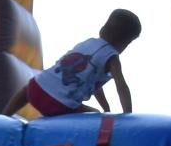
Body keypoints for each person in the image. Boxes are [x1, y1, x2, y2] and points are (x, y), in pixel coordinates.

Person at [9, 8, 141, 119]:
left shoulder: (88, 43)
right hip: (59, 105)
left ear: (102, 29)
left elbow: (94, 86)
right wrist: (127, 115)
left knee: (26, 90)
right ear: (125, 44)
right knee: (95, 115)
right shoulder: (112, 57)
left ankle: (4, 116)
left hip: (35, 89)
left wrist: (106, 107)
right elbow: (121, 86)